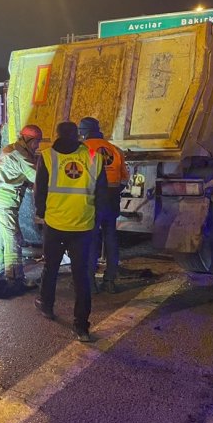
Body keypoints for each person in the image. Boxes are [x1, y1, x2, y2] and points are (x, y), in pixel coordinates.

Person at [34, 121, 107, 342]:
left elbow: (40, 190)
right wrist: (97, 219)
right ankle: (81, 326)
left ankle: (47, 306)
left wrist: (42, 213)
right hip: (83, 224)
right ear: (78, 135)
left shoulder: (47, 156)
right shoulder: (93, 157)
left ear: (57, 134)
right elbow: (102, 193)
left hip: (55, 223)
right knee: (81, 275)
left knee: (51, 266)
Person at [0, 124, 42, 284]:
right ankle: (14, 276)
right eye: (37, 142)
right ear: (28, 140)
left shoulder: (10, 149)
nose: (38, 145)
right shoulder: (21, 155)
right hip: (5, 201)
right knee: (12, 238)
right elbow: (37, 177)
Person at [79, 117, 129, 294]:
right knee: (111, 238)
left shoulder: (83, 149)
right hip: (112, 197)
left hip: (92, 198)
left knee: (91, 239)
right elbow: (124, 178)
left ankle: (90, 283)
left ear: (83, 132)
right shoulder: (115, 150)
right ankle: (110, 281)